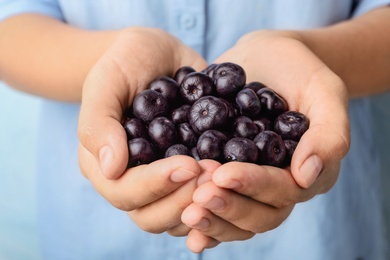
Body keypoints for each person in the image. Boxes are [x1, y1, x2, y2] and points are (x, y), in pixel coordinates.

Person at [0, 0, 389, 259]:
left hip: (315, 237)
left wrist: (313, 53)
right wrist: (106, 61)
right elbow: (11, 26)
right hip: (96, 234)